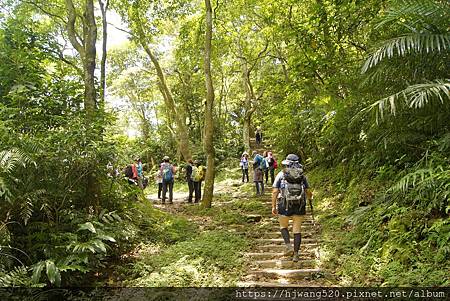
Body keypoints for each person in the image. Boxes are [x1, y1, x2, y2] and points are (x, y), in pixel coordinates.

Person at [271, 154, 312, 262]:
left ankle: (288, 246)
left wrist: (273, 206)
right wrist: (310, 197)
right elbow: (308, 192)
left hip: (284, 204)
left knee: (283, 226)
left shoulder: (281, 174)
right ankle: (296, 254)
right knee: (297, 229)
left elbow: (275, 191)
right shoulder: (302, 175)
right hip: (299, 205)